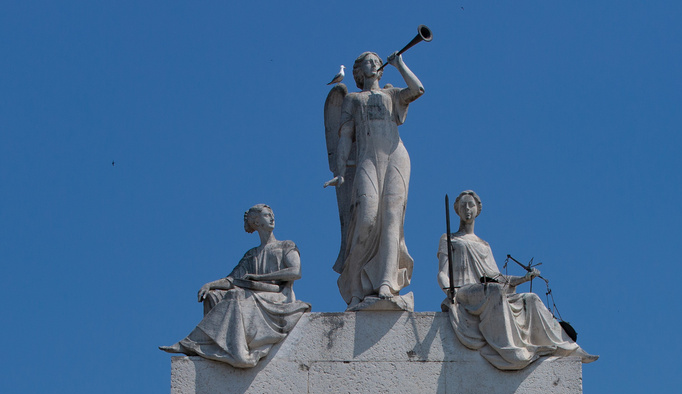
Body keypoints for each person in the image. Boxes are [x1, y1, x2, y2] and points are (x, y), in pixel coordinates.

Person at [438, 190, 595, 370]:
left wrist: (523, 278)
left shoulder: (484, 245)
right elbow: (442, 273)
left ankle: (567, 347)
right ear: (456, 209)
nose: (467, 209)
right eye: (463, 205)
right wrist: (448, 290)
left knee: (531, 299)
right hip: (463, 291)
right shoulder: (449, 239)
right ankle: (509, 350)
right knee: (494, 292)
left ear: (477, 210)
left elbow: (497, 278)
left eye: (471, 205)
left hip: (486, 291)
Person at [324, 50, 425, 308]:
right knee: (367, 220)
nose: (373, 63)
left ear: (381, 68)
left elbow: (418, 89)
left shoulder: (391, 95)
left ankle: (386, 282)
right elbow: (345, 135)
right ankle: (354, 284)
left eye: (376, 61)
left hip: (396, 157)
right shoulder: (353, 100)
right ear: (359, 70)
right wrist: (339, 171)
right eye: (368, 61)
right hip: (367, 160)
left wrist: (400, 64)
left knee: (393, 218)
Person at [161, 205, 311, 368]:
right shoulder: (251, 254)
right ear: (257, 221)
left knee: (236, 296)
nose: (272, 218)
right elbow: (232, 279)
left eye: (272, 215)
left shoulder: (286, 245)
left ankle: (234, 351)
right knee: (214, 296)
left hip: (279, 296)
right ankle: (210, 344)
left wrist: (260, 278)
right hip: (255, 294)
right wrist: (210, 285)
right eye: (267, 215)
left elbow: (296, 272)